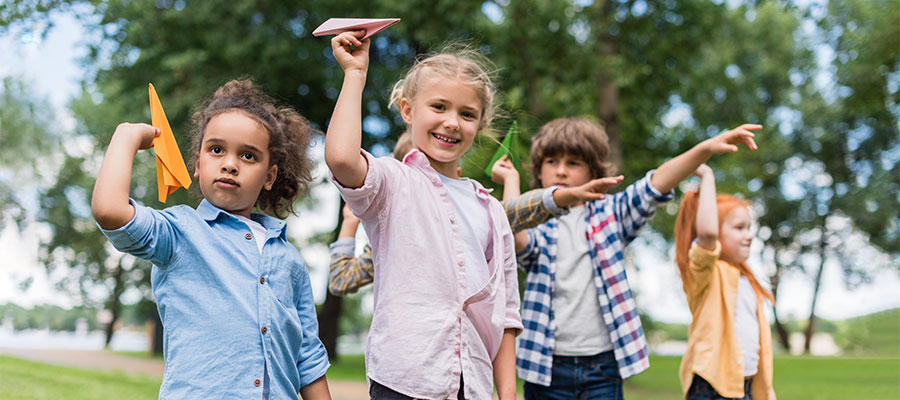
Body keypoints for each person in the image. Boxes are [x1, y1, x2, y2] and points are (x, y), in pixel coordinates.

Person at [91, 80, 331, 399]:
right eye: (216, 150)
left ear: (269, 176)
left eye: (248, 156)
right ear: (198, 163)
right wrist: (127, 136)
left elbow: (308, 356)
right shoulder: (179, 232)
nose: (230, 164)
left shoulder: (289, 259)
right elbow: (110, 211)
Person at [324, 28, 525, 399]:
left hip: (473, 385)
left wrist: (508, 394)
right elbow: (340, 158)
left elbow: (507, 314)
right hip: (404, 381)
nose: (452, 122)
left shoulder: (492, 212)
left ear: (479, 125)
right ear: (407, 110)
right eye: (438, 107)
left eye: (467, 114)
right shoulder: (392, 182)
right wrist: (355, 74)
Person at [513, 117, 762, 399]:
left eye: (573, 163)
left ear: (593, 170)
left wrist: (704, 149)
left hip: (602, 367)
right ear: (538, 169)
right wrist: (511, 181)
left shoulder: (612, 213)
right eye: (552, 161)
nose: (561, 170)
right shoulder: (537, 223)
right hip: (546, 367)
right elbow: (514, 229)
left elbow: (656, 183)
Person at [328, 138, 623, 297]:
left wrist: (564, 195)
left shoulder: (469, 218)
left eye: (433, 168)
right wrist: (350, 225)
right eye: (414, 170)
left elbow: (514, 212)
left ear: (457, 176)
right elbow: (341, 281)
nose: (426, 179)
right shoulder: (392, 238)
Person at [674, 164, 776, 400]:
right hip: (713, 388)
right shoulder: (705, 272)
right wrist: (707, 175)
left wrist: (768, 392)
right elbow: (708, 233)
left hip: (746, 387)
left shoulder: (748, 281)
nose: (749, 235)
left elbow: (759, 346)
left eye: (749, 228)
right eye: (739, 228)